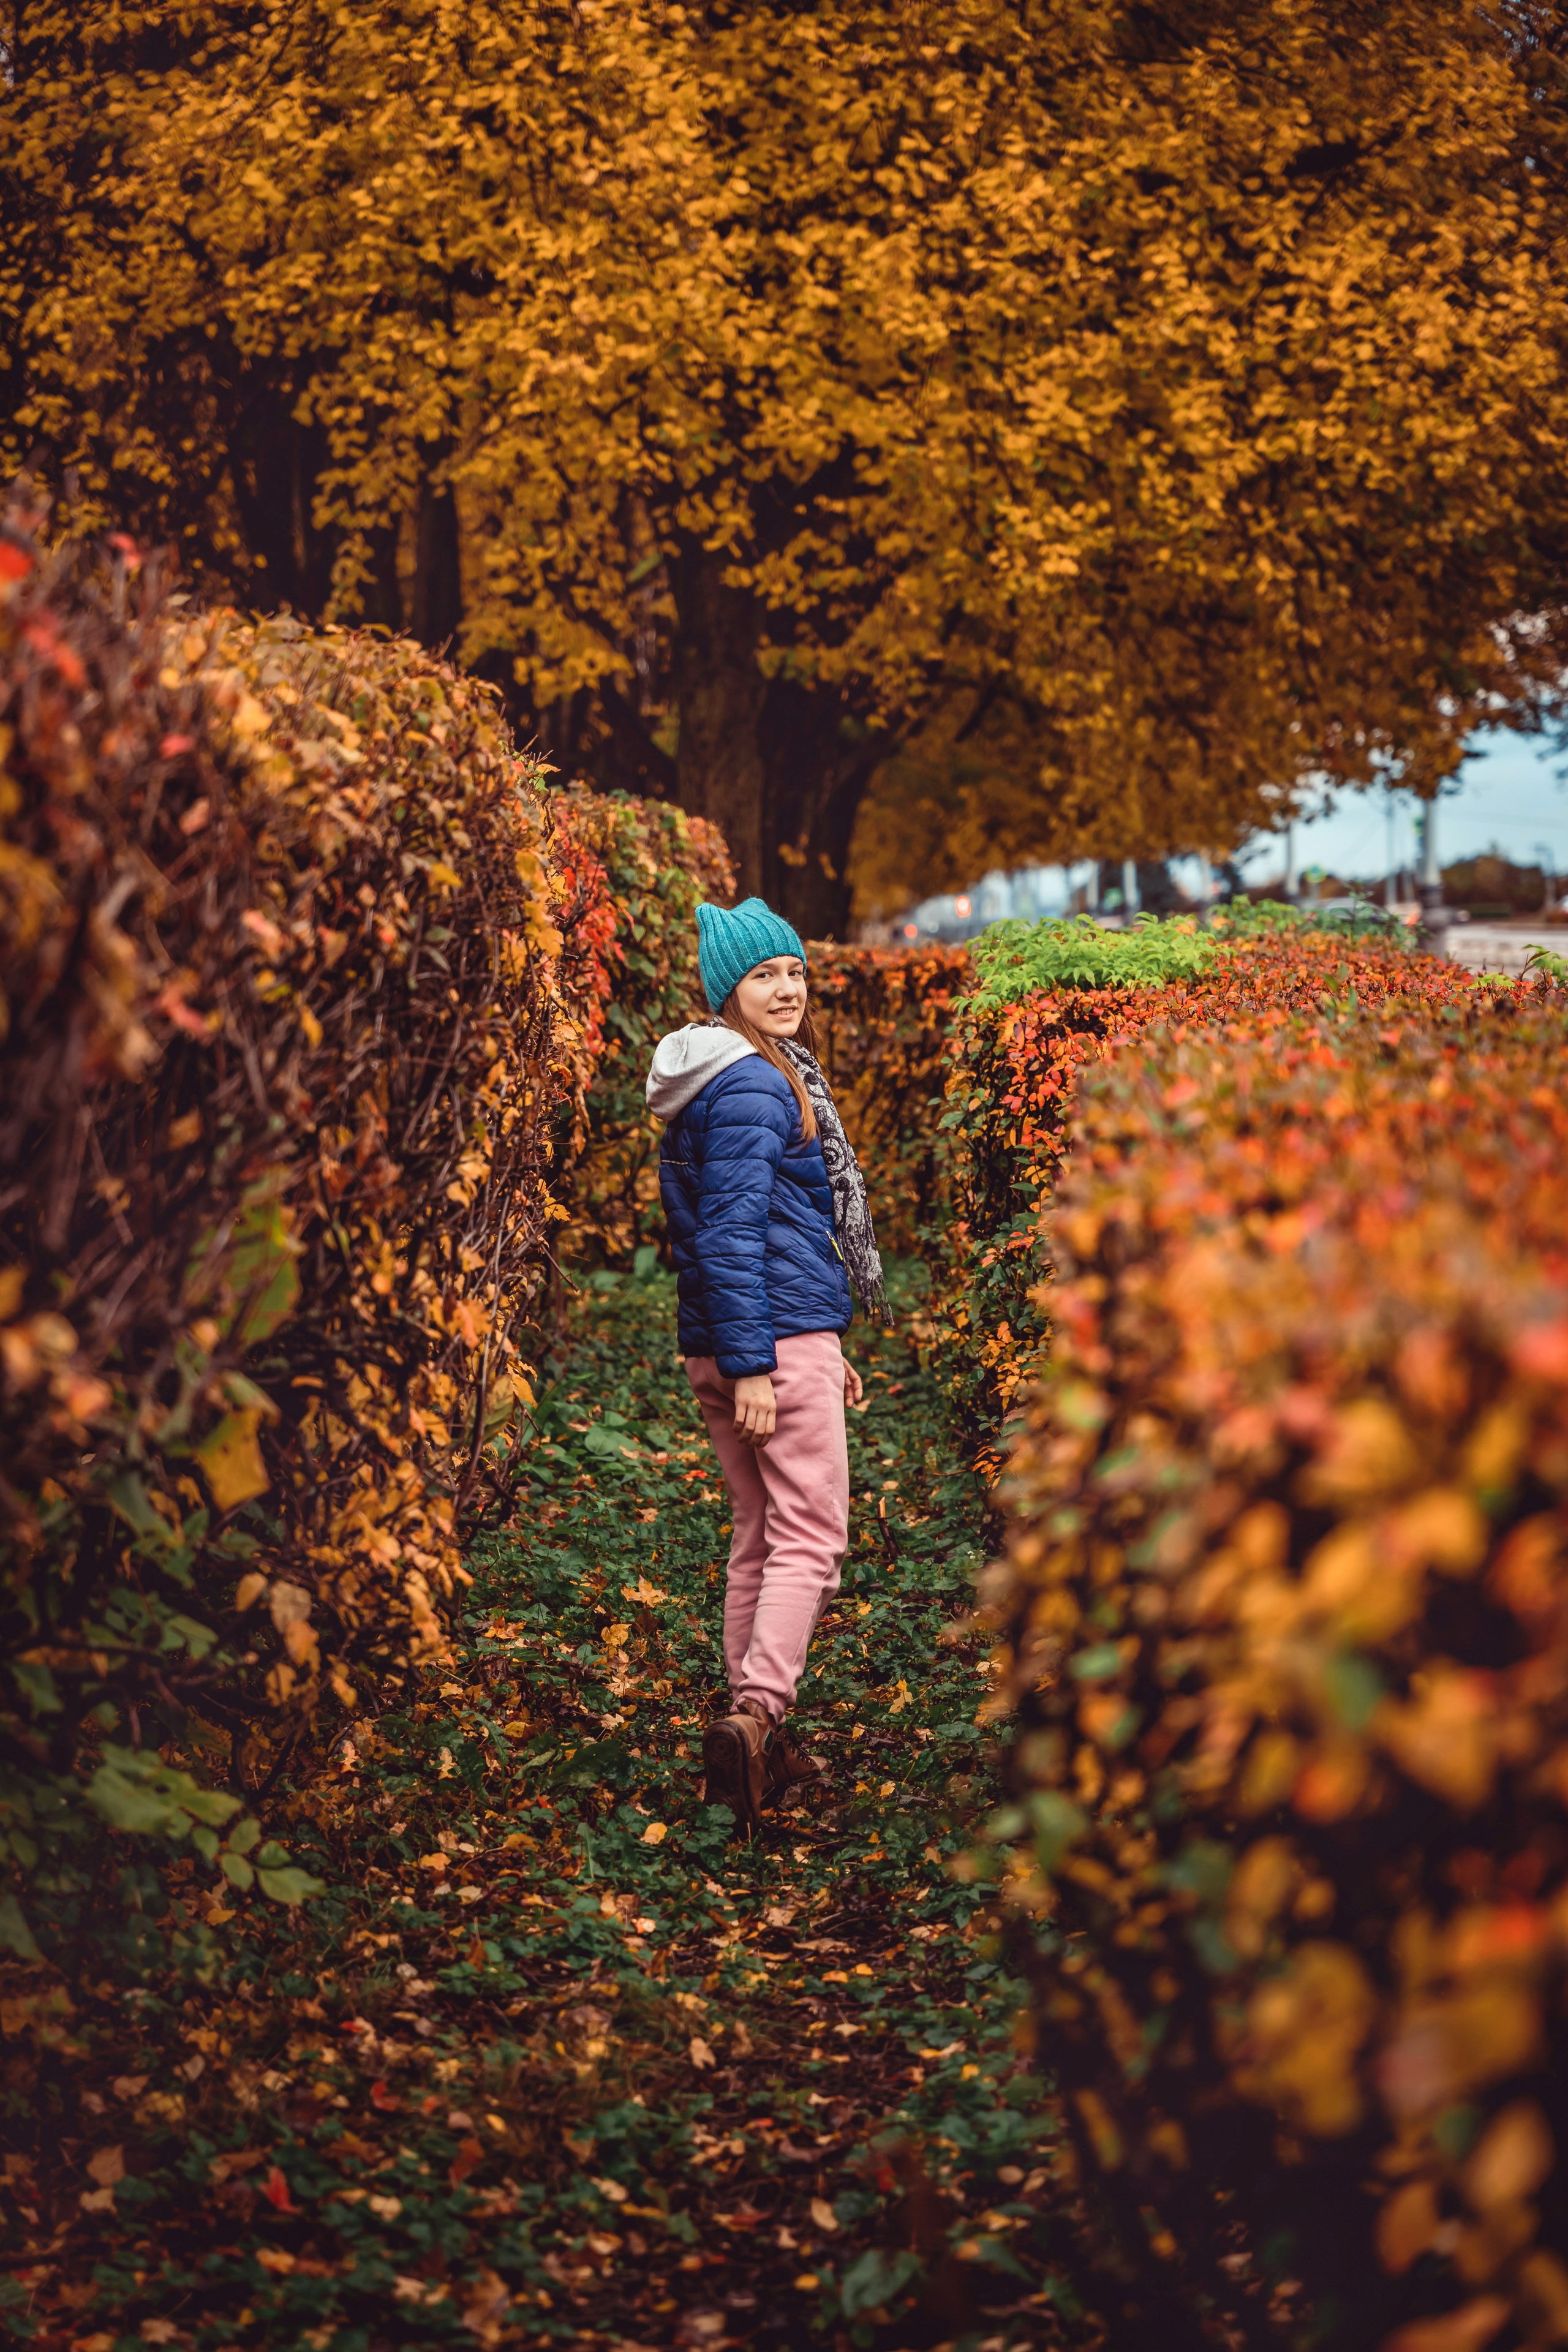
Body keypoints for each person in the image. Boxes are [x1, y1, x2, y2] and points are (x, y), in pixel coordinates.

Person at [646, 897, 890, 1837]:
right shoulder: (754, 1086)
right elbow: (732, 1231)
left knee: (759, 1530)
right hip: (765, 1343)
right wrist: (764, 1364)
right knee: (811, 1536)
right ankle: (758, 1717)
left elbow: (760, 1229)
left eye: (794, 970)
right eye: (764, 976)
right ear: (728, 992)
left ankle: (747, 1732)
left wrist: (814, 1348)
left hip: (744, 1340)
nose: (787, 989)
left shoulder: (713, 1078)